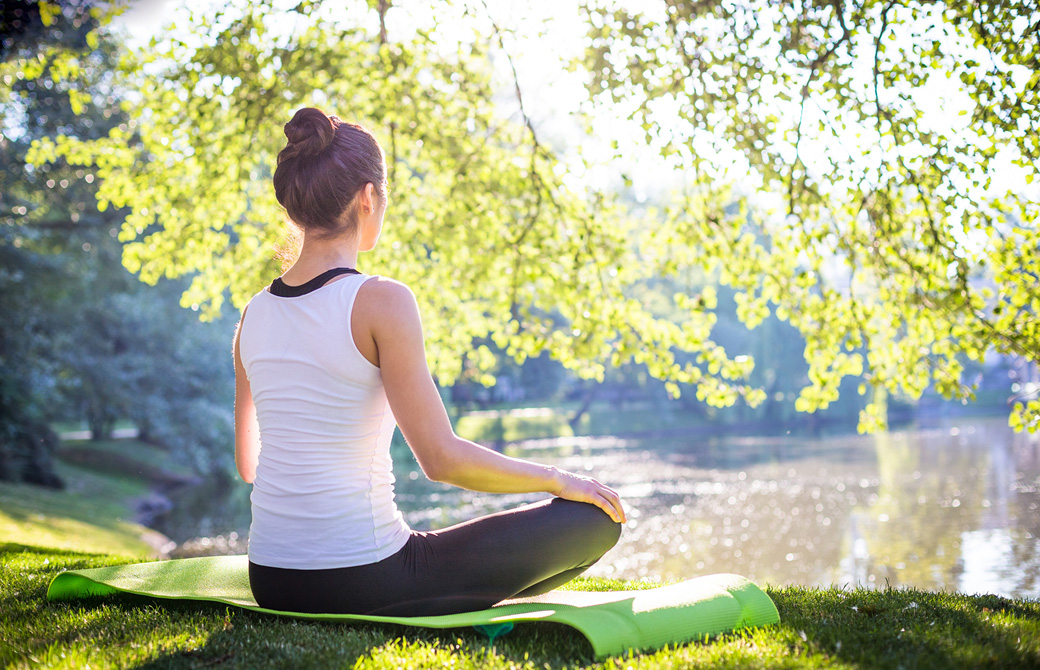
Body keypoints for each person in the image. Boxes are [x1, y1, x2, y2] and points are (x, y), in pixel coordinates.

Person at [233, 107, 625, 616]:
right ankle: (458, 598)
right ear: (368, 197)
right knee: (595, 521)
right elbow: (441, 460)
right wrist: (558, 479)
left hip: (271, 577)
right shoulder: (381, 300)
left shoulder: (254, 313)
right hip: (366, 578)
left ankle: (454, 593)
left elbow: (248, 465)